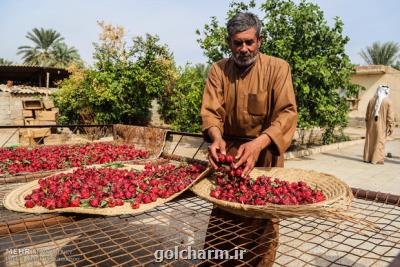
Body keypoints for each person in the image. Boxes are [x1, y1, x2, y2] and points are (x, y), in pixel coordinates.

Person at [200, 12, 297, 267]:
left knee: (261, 223)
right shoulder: (218, 70)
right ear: (229, 42)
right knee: (223, 222)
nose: (243, 49)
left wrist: (259, 143)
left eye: (249, 42)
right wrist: (216, 138)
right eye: (237, 43)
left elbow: (287, 113)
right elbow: (211, 112)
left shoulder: (278, 68)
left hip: (264, 157)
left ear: (260, 40)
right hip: (229, 158)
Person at [363, 85, 394, 164]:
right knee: (379, 141)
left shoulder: (371, 100)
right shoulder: (388, 101)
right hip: (381, 124)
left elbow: (367, 114)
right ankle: (376, 159)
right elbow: (390, 117)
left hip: (371, 124)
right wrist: (391, 126)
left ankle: (367, 158)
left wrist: (367, 123)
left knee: (370, 140)